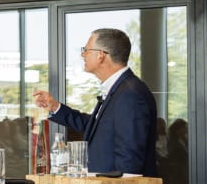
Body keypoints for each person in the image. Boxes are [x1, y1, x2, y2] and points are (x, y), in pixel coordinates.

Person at [33, 28, 158, 176]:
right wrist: (55, 107)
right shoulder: (120, 89)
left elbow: (129, 159)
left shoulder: (129, 94)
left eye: (86, 50)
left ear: (101, 55)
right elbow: (94, 127)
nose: (82, 54)